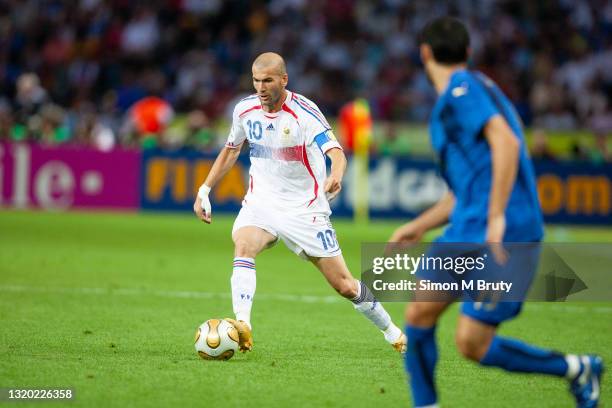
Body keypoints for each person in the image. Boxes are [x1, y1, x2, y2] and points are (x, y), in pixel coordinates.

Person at [389, 17, 603, 408]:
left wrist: (497, 216)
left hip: (504, 231)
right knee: (419, 311)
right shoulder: (472, 92)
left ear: (424, 53)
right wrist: (417, 226)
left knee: (473, 342)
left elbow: (504, 142)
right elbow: (465, 190)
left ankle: (577, 368)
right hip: (467, 227)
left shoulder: (462, 89)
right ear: (467, 52)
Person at [194, 52, 406, 354]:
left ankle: (392, 331)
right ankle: (243, 326)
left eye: (268, 80)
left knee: (344, 285)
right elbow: (230, 150)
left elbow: (336, 152)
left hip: (304, 209)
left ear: (284, 79)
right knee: (244, 245)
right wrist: (204, 189)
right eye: (256, 81)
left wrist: (336, 173)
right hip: (261, 201)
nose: (261, 87)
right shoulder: (244, 110)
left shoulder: (305, 113)